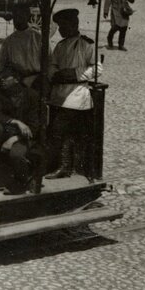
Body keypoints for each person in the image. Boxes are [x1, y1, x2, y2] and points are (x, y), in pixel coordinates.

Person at [44, 9, 101, 180]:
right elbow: (52, 64)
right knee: (56, 131)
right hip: (59, 93)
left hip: (76, 94)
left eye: (64, 26)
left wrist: (75, 74)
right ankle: (60, 165)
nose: (61, 30)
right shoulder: (60, 46)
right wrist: (55, 74)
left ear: (74, 25)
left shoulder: (86, 45)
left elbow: (96, 69)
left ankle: (65, 166)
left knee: (61, 130)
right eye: (60, 26)